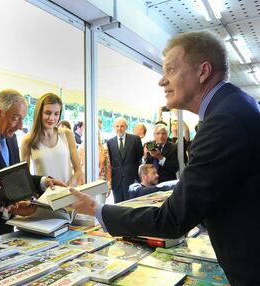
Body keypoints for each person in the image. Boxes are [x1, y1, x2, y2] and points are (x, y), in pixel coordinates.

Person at [70, 31, 260, 285]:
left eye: (170, 70)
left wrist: (97, 210)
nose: (162, 81)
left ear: (203, 72)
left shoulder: (223, 121)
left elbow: (171, 221)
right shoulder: (233, 106)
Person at [0, 89, 66, 244]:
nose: (20, 126)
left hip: (7, 231)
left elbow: (14, 177)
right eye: (16, 119)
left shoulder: (11, 137)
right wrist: (8, 210)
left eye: (23, 120)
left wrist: (43, 182)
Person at [21, 93, 84, 187]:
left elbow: (78, 171)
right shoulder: (28, 140)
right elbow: (24, 177)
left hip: (69, 195)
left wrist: (67, 190)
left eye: (56, 114)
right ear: (39, 113)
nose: (52, 118)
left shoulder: (67, 134)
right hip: (44, 198)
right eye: (48, 113)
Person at [107, 117, 143, 203]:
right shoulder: (110, 142)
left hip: (132, 179)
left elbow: (140, 158)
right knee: (118, 206)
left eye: (122, 126)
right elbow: (111, 162)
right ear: (113, 127)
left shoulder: (135, 139)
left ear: (126, 127)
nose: (119, 129)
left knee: (131, 205)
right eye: (117, 126)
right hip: (117, 181)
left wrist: (137, 178)